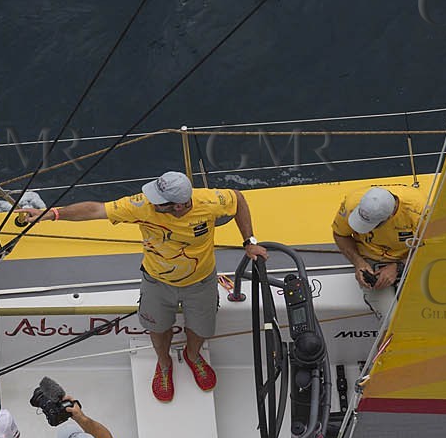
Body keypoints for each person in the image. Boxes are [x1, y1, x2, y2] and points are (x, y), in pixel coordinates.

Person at [18, 171, 269, 402]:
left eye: (159, 201)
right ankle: (164, 364)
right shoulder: (141, 206)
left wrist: (250, 241)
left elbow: (238, 199)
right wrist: (51, 214)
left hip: (200, 281)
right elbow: (96, 210)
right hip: (156, 281)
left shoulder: (210, 201)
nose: (152, 202)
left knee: (201, 327)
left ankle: (193, 356)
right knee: (157, 328)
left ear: (179, 205)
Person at [331, 184, 426, 321]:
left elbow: (433, 246)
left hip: (413, 257)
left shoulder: (420, 210)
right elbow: (340, 234)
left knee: (422, 316)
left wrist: (398, 267)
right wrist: (359, 263)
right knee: (391, 323)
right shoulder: (351, 204)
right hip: (371, 259)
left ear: (390, 216)